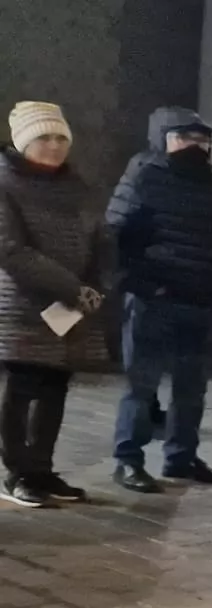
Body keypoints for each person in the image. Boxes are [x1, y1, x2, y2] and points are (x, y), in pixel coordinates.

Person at [104, 107, 212, 493]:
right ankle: (128, 460)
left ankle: (181, 458)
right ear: (163, 140)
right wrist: (143, 285)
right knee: (141, 386)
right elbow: (115, 238)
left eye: (202, 139)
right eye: (183, 137)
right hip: (153, 302)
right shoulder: (143, 179)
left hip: (203, 303)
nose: (194, 145)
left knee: (192, 389)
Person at [0, 102, 104, 507]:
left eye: (61, 137)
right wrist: (71, 288)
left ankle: (42, 470)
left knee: (54, 386)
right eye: (44, 137)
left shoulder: (74, 185)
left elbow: (98, 237)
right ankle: (16, 474)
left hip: (69, 306)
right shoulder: (5, 182)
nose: (55, 145)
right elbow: (11, 249)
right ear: (23, 141)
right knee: (21, 389)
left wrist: (96, 284)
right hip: (24, 304)